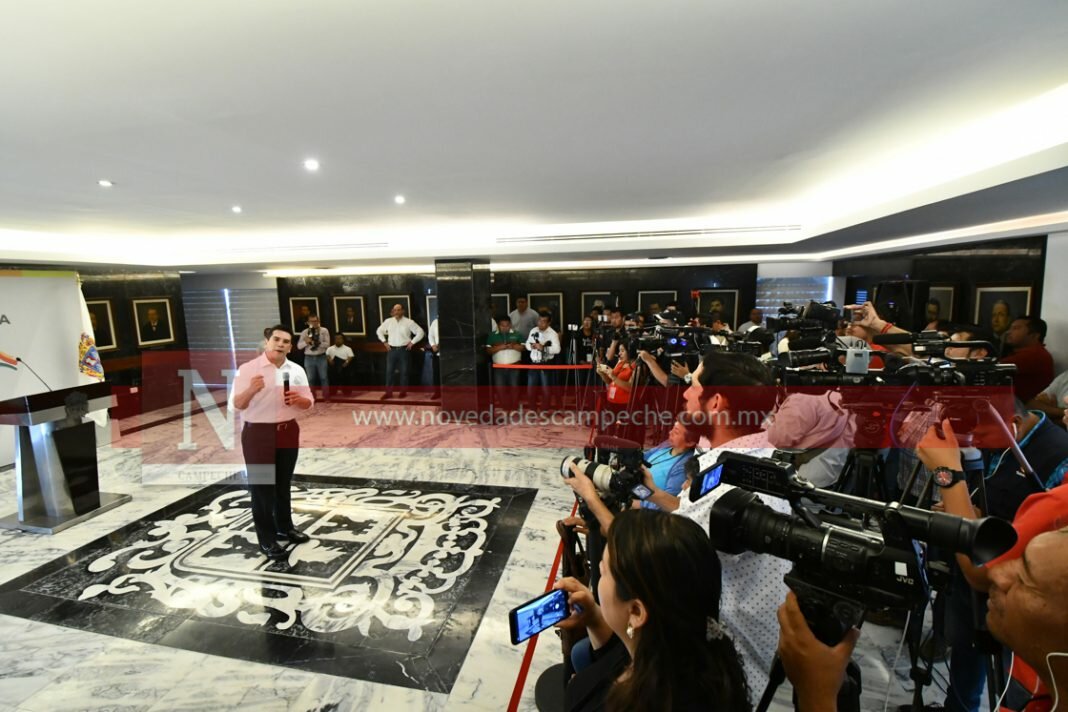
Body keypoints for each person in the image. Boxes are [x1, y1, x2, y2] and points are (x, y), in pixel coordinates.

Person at [555, 509, 751, 712]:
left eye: (603, 570)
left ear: (636, 612)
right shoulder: (688, 650)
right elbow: (621, 654)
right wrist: (594, 618)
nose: (598, 569)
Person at [228, 325, 314, 560]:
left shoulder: (295, 370)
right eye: (276, 339)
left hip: (288, 431)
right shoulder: (248, 369)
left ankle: (284, 527)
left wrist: (300, 400)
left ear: (290, 346)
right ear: (267, 341)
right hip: (258, 435)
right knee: (262, 488)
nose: (281, 344)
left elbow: (309, 402)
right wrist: (251, 390)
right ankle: (266, 539)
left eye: (286, 342)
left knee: (283, 484)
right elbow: (236, 405)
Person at [376, 303, 425, 399]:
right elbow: (379, 331)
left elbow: (421, 332)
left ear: (403, 311)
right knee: (389, 372)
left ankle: (403, 392)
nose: (396, 312)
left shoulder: (409, 322)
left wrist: (412, 342)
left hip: (404, 350)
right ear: (393, 311)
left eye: (398, 310)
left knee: (404, 372)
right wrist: (384, 342)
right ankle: (388, 393)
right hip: (392, 350)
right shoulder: (388, 321)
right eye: (395, 310)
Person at [1000, 316, 1054, 403]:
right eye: (1010, 328)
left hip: (1026, 410)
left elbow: (994, 368)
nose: (1009, 332)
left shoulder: (1036, 354)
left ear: (1034, 335)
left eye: (1016, 328)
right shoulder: (1023, 353)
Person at [486, 316, 524, 409]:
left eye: (507, 325)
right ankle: (504, 407)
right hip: (498, 367)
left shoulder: (517, 334)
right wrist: (499, 347)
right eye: (502, 326)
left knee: (514, 388)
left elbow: (523, 348)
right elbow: (488, 350)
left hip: (514, 366)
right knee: (500, 388)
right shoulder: (492, 335)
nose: (505, 327)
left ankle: (514, 407)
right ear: (498, 326)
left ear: (510, 325)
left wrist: (513, 346)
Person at [526, 312, 561, 409]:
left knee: (546, 389)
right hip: (534, 362)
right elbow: (527, 344)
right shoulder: (533, 330)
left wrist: (543, 348)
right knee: (530, 388)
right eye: (539, 320)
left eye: (544, 321)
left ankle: (545, 409)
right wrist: (531, 346)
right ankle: (532, 409)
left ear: (549, 323)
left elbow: (557, 349)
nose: (541, 323)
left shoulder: (552, 333)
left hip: (546, 363)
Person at [297, 314, 330, 399]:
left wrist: (318, 342)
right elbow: (299, 346)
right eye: (312, 321)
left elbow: (328, 344)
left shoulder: (324, 331)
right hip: (309, 358)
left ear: (318, 321)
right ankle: (312, 396)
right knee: (310, 379)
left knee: (324, 377)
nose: (314, 323)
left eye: (316, 321)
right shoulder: (305, 332)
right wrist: (306, 342)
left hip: (321, 357)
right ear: (308, 322)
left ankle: (326, 396)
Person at [426, 317, 441, 399]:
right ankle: (437, 392)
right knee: (436, 374)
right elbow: (430, 335)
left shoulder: (452, 320)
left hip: (449, 354)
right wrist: (433, 345)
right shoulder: (435, 322)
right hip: (437, 353)